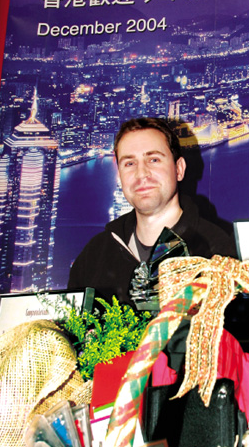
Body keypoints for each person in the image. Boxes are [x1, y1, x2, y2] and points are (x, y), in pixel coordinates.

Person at [68, 117, 237, 308]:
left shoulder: (220, 252)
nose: (141, 174)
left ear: (179, 169)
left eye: (153, 160)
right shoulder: (94, 255)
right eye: (129, 163)